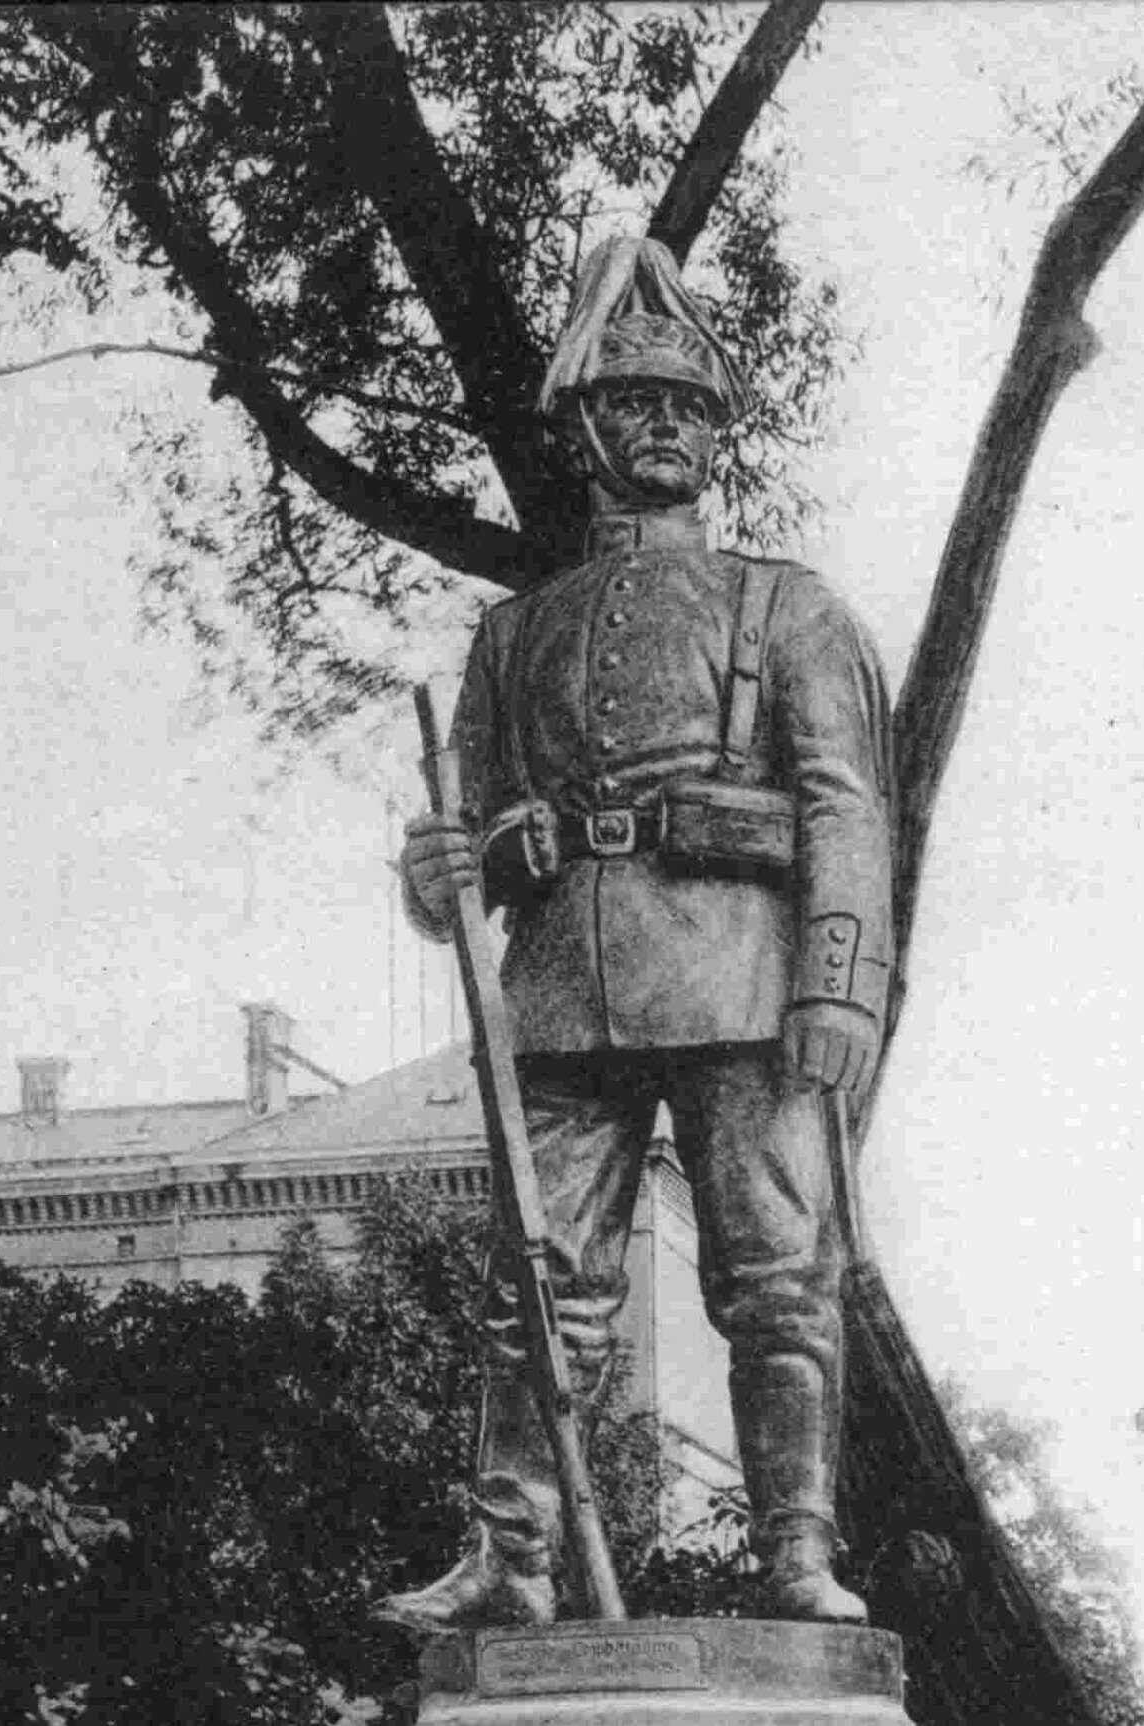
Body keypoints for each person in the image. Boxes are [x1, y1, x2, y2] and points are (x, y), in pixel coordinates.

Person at [377, 237, 895, 1632]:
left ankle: (796, 1553)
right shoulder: (515, 636)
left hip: (745, 979)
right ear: (586, 428)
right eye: (638, 402)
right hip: (561, 989)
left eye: (691, 408)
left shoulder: (783, 607)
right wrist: (452, 863)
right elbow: (462, 848)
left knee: (781, 1282)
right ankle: (512, 1557)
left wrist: (840, 990)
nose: (667, 427)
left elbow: (847, 807)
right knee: (537, 1290)